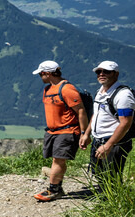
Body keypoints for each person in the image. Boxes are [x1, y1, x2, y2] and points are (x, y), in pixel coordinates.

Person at [33, 60, 89, 201]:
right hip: (52, 131)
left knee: (58, 161)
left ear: (47, 73)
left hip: (67, 131)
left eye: (41, 74)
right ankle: (58, 187)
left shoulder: (67, 89)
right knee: (57, 160)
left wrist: (84, 133)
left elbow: (81, 111)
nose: (40, 77)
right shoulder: (48, 89)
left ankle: (53, 190)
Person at [79, 60, 133, 183]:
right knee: (100, 174)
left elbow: (125, 123)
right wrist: (86, 134)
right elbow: (96, 114)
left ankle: (115, 201)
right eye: (98, 71)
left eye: (106, 71)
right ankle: (105, 198)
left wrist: (108, 145)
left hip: (114, 143)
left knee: (111, 177)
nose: (101, 74)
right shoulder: (101, 91)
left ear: (116, 74)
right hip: (98, 141)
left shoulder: (124, 95)